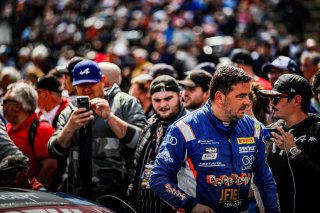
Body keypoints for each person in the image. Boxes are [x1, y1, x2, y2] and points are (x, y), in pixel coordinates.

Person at [149, 65, 279, 213]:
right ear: (220, 97)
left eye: (248, 95)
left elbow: (264, 179)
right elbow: (158, 178)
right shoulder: (184, 128)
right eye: (241, 96)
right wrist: (190, 204)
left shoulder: (255, 129)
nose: (248, 102)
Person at [48, 59, 147, 200]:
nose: (86, 88)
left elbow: (142, 143)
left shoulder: (125, 102)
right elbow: (54, 151)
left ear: (103, 80)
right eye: (81, 84)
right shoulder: (69, 110)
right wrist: (70, 128)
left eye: (91, 83)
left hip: (118, 195)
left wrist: (110, 117)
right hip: (78, 195)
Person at [259, 74, 320, 213]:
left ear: (297, 100)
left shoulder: (317, 130)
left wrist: (294, 151)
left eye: (276, 98)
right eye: (270, 99)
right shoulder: (271, 132)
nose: (271, 104)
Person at [132, 75, 188, 213]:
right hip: (144, 206)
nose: (162, 105)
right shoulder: (150, 124)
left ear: (180, 95)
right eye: (157, 100)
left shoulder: (191, 127)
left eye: (168, 98)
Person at [3, 82, 57, 189]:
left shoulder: (42, 129)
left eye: (5, 102)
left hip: (32, 201)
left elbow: (50, 167)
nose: (2, 106)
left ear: (17, 106)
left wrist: (36, 194)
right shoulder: (8, 128)